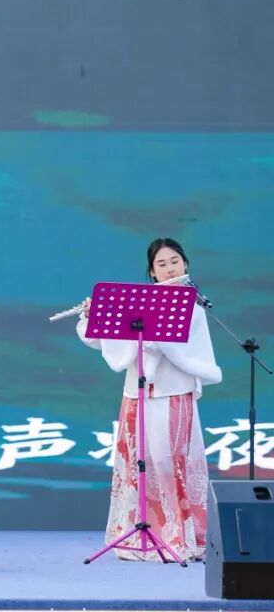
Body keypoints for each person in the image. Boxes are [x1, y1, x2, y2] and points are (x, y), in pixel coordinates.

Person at [76, 237, 221, 561]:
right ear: (152, 272)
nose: (170, 269)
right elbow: (111, 343)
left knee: (170, 464)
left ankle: (180, 537)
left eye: (175, 262)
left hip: (173, 392)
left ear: (185, 264)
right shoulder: (139, 303)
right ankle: (139, 533)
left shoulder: (193, 307)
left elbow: (186, 351)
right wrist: (92, 316)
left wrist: (157, 339)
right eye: (162, 264)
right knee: (137, 463)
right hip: (137, 392)